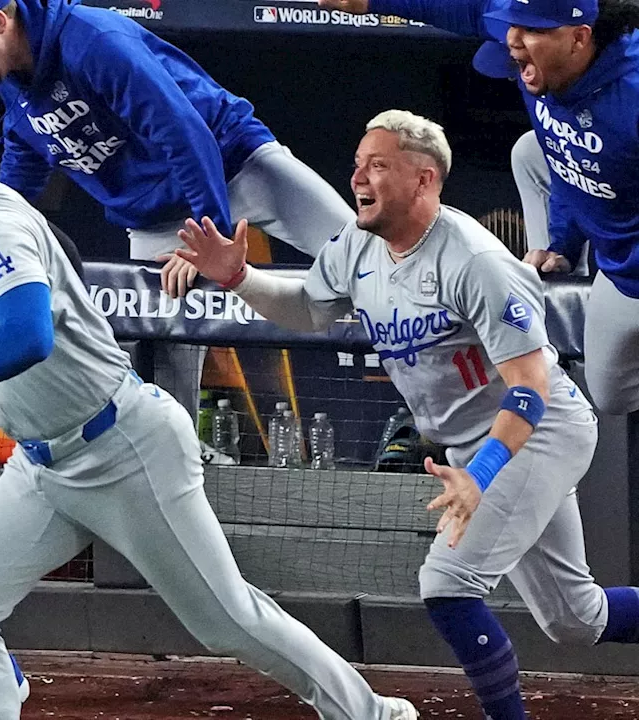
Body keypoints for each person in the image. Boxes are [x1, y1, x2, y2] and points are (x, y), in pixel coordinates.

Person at [0, 93, 418, 720]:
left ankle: (372, 714)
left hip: (122, 449)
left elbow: (29, 334)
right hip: (43, 468)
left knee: (226, 620)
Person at [178, 109, 639, 720]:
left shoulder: (475, 259)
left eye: (379, 166)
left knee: (447, 586)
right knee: (575, 619)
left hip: (535, 430)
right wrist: (238, 276)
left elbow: (529, 388)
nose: (359, 179)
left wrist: (481, 474)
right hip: (471, 446)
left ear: (425, 179)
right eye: (357, 166)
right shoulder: (357, 246)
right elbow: (309, 310)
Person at [0, 0, 354, 424]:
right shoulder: (12, 75)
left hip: (236, 163)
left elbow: (183, 134)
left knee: (365, 256)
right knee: (159, 380)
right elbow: (25, 160)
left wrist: (209, 236)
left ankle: (421, 420)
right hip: (157, 222)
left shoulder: (93, 40)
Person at [319, 0, 639, 416]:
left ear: (579, 37)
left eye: (529, 30)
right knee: (611, 393)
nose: (512, 42)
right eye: (512, 28)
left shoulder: (629, 98)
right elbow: (465, 9)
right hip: (620, 264)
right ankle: (558, 259)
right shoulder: (541, 41)